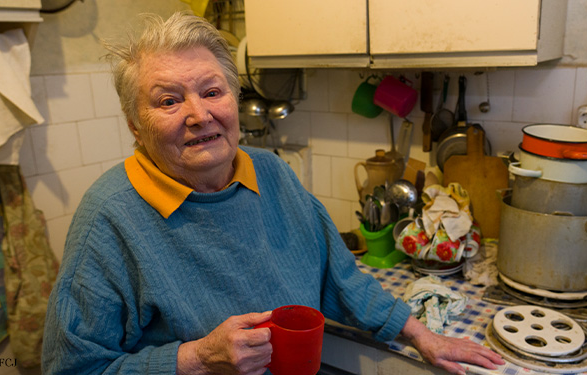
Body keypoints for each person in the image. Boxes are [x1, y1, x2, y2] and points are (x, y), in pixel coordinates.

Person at [41, 11, 505, 375]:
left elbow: (339, 276)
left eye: (212, 91)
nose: (199, 114)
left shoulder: (270, 173)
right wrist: (196, 360)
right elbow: (72, 368)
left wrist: (419, 334)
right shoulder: (109, 218)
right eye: (168, 100)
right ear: (135, 127)